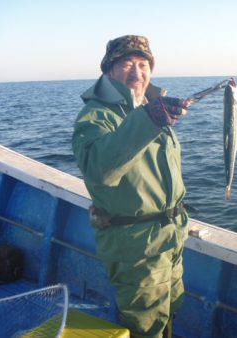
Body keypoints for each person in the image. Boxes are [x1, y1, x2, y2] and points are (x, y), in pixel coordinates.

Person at [72, 35, 190, 338]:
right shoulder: (97, 115)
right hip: (136, 244)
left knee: (170, 305)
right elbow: (100, 170)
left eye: (143, 64)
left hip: (171, 235)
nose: (137, 72)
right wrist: (148, 121)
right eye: (127, 64)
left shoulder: (151, 105)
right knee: (145, 323)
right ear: (109, 71)